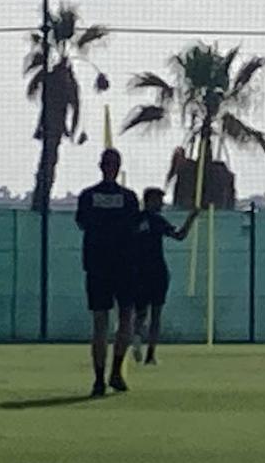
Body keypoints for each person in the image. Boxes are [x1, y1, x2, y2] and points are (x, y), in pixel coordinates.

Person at [75, 148, 140, 397]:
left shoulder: (88, 196)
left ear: (101, 166)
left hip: (97, 265)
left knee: (100, 323)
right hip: (124, 266)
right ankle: (116, 372)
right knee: (125, 319)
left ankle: (99, 379)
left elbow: (82, 223)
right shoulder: (129, 197)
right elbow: (135, 226)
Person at [131, 188, 200, 366]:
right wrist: (191, 218)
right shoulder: (156, 220)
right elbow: (180, 235)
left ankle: (137, 336)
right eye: (159, 200)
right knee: (156, 314)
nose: (162, 204)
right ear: (150, 201)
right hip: (156, 272)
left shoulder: (134, 220)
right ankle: (150, 354)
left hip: (138, 272)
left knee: (140, 312)